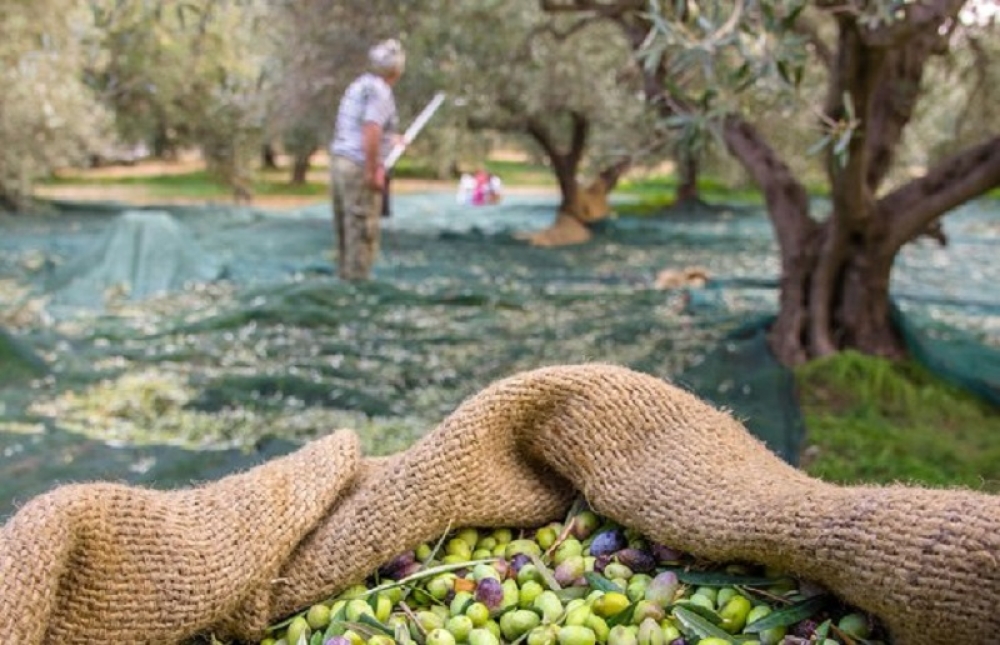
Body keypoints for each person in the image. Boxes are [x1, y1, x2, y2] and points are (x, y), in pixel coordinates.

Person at [329, 39, 405, 281]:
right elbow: (370, 128)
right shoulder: (381, 92)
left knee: (346, 228)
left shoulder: (359, 86)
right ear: (396, 69)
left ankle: (345, 278)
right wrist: (373, 172)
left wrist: (390, 140)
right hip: (358, 167)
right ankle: (356, 287)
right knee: (362, 232)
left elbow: (366, 127)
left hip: (340, 163)